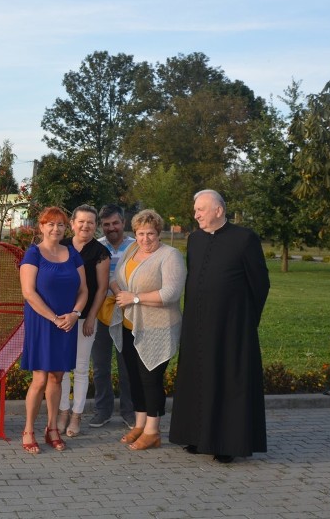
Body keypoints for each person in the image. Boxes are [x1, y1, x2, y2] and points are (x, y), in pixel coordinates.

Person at [169, 189, 270, 463]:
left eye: (201, 209)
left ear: (218, 210)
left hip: (231, 326)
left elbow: (260, 283)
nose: (196, 214)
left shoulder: (244, 238)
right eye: (195, 210)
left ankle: (226, 444)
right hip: (197, 324)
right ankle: (194, 436)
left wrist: (246, 320)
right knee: (196, 376)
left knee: (227, 380)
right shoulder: (194, 240)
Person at [110, 210, 186, 450]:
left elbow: (171, 294)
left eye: (150, 233)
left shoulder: (170, 255)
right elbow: (117, 277)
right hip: (129, 326)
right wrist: (116, 290)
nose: (145, 239)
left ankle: (153, 431)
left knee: (150, 378)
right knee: (134, 376)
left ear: (159, 232)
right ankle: (140, 423)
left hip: (157, 328)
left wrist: (134, 298)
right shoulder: (132, 250)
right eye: (141, 233)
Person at [19, 207, 88, 454]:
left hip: (67, 323)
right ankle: (28, 430)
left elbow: (84, 291)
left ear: (65, 228)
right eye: (50, 224)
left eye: (60, 225)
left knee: (57, 377)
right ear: (41, 227)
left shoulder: (72, 254)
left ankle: (51, 429)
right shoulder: (33, 254)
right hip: (42, 322)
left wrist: (74, 314)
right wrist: (53, 318)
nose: (55, 229)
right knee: (40, 378)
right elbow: (29, 293)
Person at [56, 205, 111, 437]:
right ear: (72, 223)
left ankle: (76, 415)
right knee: (62, 368)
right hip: (59, 317)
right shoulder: (61, 246)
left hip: (85, 318)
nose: (85, 226)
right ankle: (62, 412)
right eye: (81, 221)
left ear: (95, 225)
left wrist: (91, 318)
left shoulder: (100, 252)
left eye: (90, 222)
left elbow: (101, 289)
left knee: (80, 367)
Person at [89, 204, 134, 428]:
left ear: (123, 223)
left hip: (128, 312)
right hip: (101, 312)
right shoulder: (96, 246)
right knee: (100, 365)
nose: (111, 228)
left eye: (115, 223)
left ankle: (129, 411)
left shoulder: (135, 246)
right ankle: (102, 410)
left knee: (127, 364)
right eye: (106, 225)